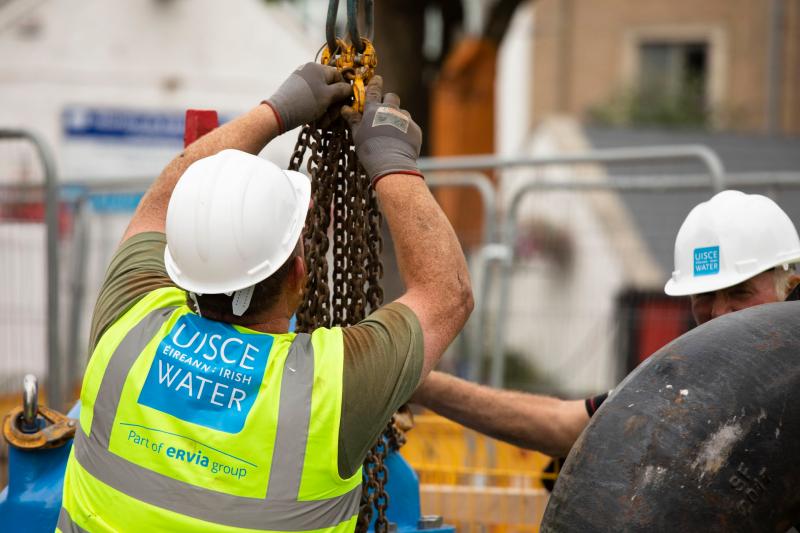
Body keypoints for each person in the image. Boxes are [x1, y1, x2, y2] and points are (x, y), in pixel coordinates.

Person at [57, 64, 473, 533]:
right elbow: (448, 293)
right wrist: (394, 161)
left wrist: (277, 110)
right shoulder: (331, 389)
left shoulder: (127, 325)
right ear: (299, 273)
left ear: (182, 260)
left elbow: (160, 200)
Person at [412, 189, 800, 458]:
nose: (718, 313)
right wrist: (419, 382)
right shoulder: (692, 375)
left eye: (740, 292)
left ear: (791, 286)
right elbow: (562, 426)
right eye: (705, 297)